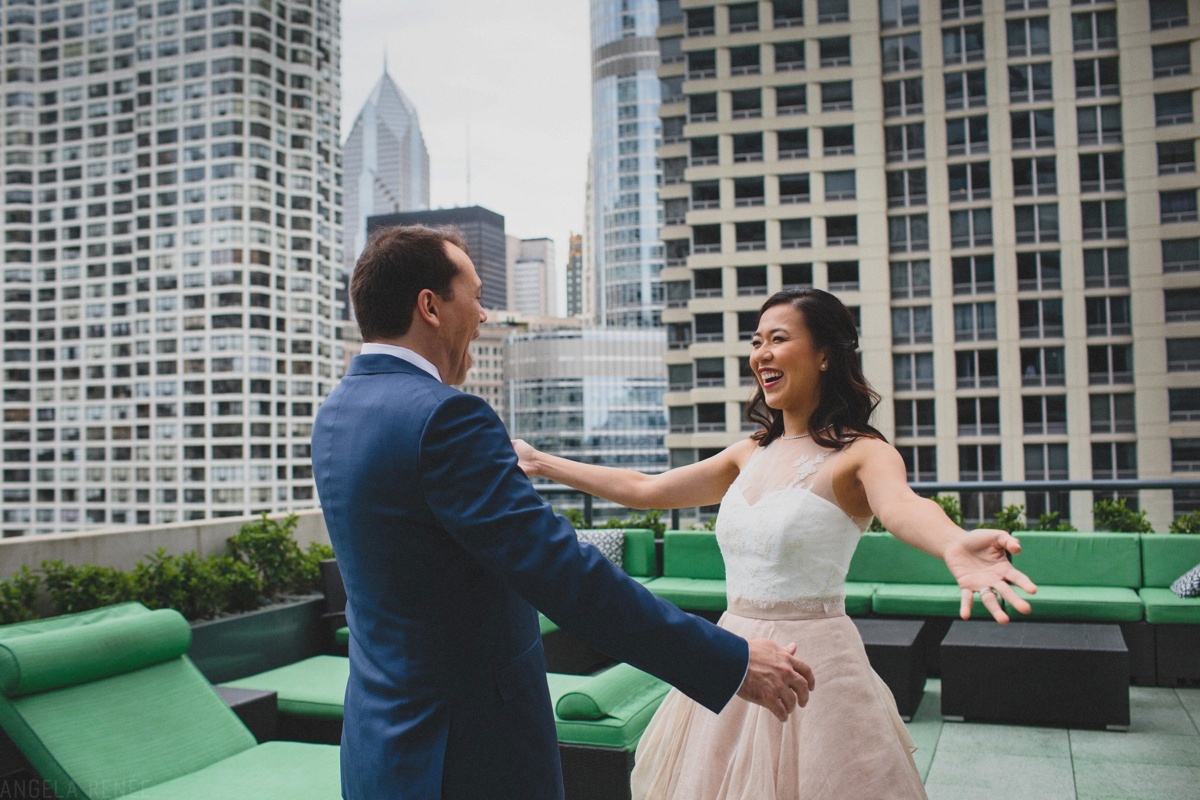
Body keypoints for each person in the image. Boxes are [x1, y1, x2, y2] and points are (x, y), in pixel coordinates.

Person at [310, 225, 816, 800]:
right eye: (475, 297)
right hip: (468, 754)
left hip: (380, 748)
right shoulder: (446, 419)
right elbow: (563, 572)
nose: (482, 315)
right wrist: (730, 662)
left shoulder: (336, 414)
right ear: (429, 306)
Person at [513, 288, 1039, 799]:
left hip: (816, 668)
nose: (761, 354)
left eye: (778, 339)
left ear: (826, 355)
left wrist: (952, 542)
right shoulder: (750, 452)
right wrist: (542, 463)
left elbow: (902, 506)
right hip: (735, 654)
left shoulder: (862, 454)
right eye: (756, 340)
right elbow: (646, 488)